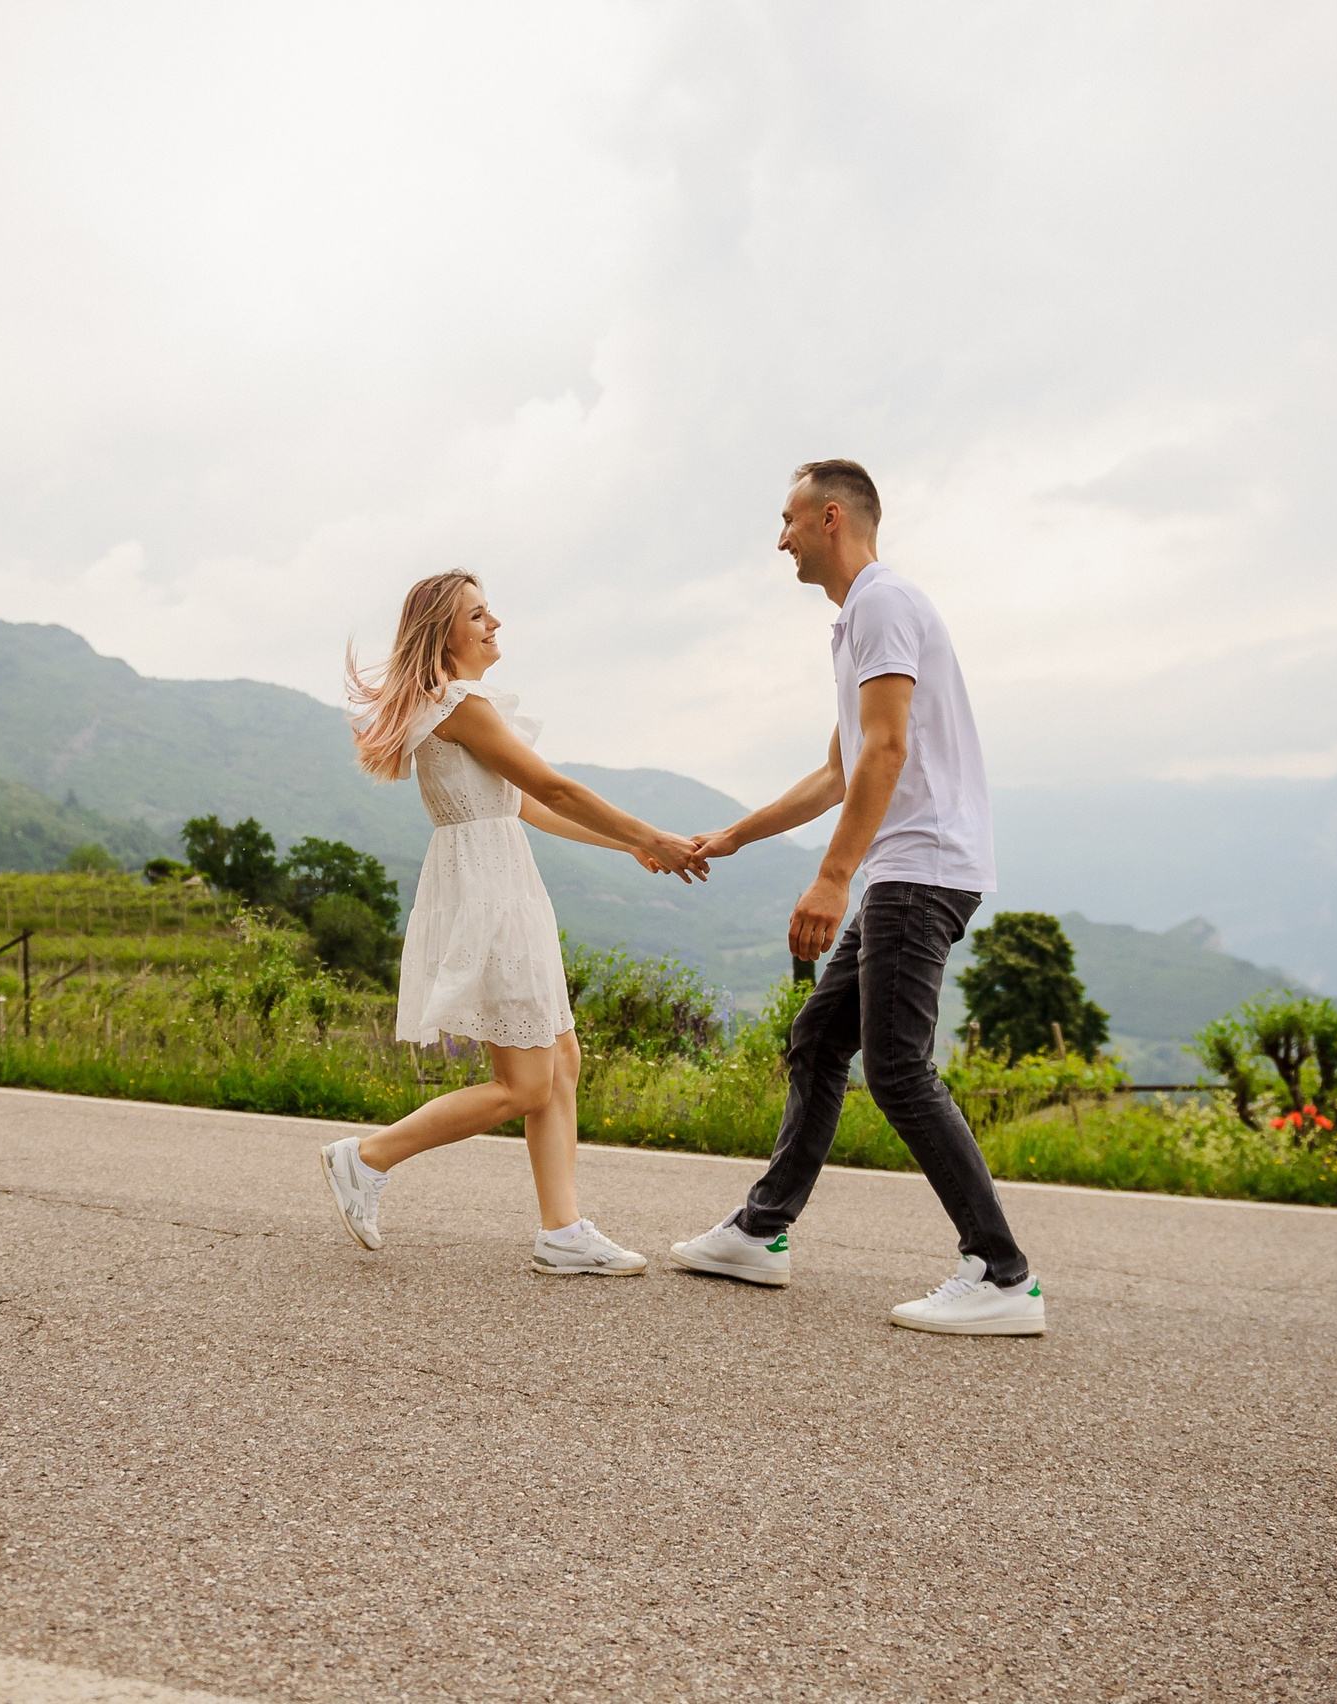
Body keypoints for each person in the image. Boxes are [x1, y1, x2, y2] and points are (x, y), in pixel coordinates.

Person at [668, 460, 1043, 1335]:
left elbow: (886, 750)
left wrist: (834, 878)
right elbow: (838, 771)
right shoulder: (856, 623)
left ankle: (1002, 1273)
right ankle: (760, 1231)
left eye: (789, 521)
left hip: (921, 867)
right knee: (819, 1039)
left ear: (830, 517)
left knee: (898, 1069)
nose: (781, 540)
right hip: (905, 870)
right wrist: (734, 836)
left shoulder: (882, 603)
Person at [322, 570, 707, 1275]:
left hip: (501, 884)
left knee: (561, 1062)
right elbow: (554, 787)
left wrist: (627, 846)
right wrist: (651, 835)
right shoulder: (460, 705)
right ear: (444, 634)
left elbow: (527, 806)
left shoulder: (460, 706)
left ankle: (563, 1232)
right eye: (477, 615)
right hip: (489, 893)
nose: (494, 623)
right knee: (526, 1083)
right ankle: (368, 1157)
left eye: (489, 610)